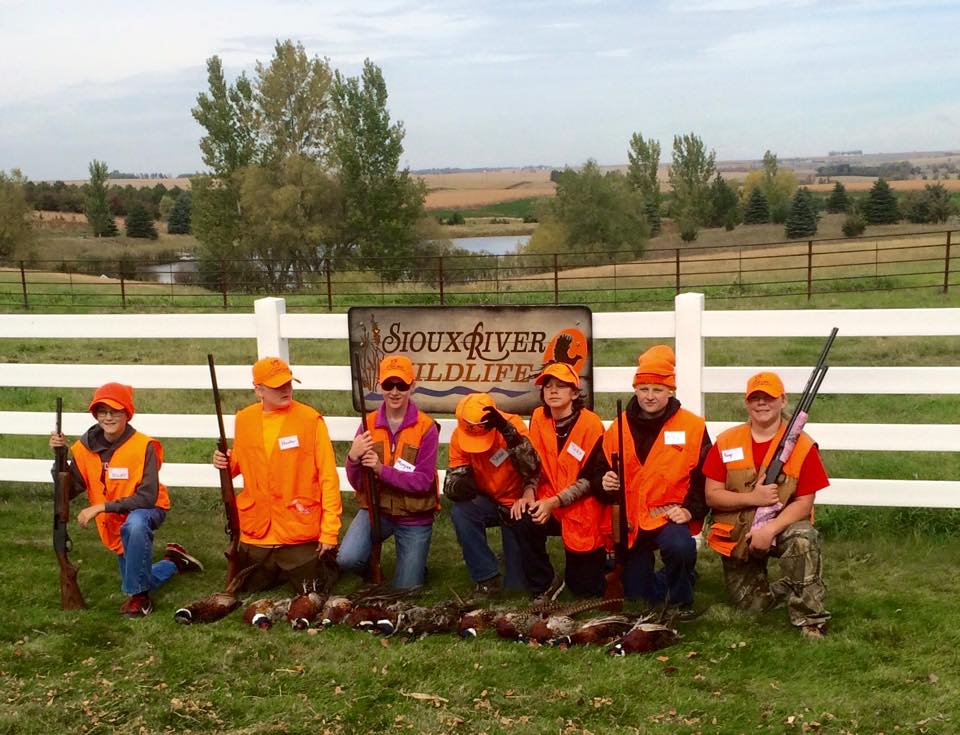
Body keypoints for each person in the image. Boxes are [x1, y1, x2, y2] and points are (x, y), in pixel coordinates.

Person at [49, 382, 202, 617]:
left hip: (147, 508)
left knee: (136, 525)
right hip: (113, 518)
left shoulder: (144, 446)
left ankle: (139, 600)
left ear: (127, 413)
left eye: (115, 411)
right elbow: (68, 491)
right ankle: (174, 562)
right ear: (95, 414)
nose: (108, 417)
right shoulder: (82, 449)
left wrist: (101, 507)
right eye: (102, 411)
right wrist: (59, 457)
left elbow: (147, 497)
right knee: (138, 574)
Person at [704, 371, 831, 639]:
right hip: (738, 533)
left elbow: (805, 502)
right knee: (751, 607)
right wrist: (753, 499)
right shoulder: (727, 441)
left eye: (769, 398)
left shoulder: (802, 445)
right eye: (756, 398)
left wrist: (769, 529)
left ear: (783, 401)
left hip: (781, 527)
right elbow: (711, 495)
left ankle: (811, 619)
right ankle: (793, 583)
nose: (762, 403)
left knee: (803, 539)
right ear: (746, 402)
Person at [592, 345, 711, 611]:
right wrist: (604, 480)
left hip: (668, 515)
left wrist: (690, 510)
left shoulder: (693, 426)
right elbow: (597, 469)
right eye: (644, 388)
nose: (650, 396)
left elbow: (705, 477)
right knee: (637, 595)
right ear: (635, 389)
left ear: (671, 391)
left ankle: (682, 600)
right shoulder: (618, 425)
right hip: (633, 523)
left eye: (657, 389)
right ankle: (678, 578)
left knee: (679, 547)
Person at [212, 357, 341, 593]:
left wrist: (329, 532)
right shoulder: (245, 419)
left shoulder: (310, 420)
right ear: (258, 390)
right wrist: (224, 463)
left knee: (313, 588)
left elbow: (328, 478)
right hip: (258, 530)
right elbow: (240, 465)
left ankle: (304, 564)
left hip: (298, 527)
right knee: (247, 587)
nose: (286, 389)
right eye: (277, 385)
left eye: (288, 383)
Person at [338, 355, 440, 589]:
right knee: (347, 559)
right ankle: (370, 568)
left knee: (406, 590)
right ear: (380, 385)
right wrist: (353, 458)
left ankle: (416, 567)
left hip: (414, 516)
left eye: (401, 385)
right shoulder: (368, 424)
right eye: (388, 385)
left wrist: (381, 470)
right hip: (377, 509)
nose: (395, 392)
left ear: (412, 386)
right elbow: (358, 483)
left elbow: (423, 482)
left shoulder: (426, 428)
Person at [515, 362, 610, 598]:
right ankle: (543, 582)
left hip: (582, 508)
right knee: (521, 519)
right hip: (547, 501)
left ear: (575, 393)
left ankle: (603, 564)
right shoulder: (538, 417)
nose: (553, 391)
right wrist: (528, 493)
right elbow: (534, 466)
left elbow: (589, 480)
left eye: (561, 386)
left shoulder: (591, 424)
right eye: (548, 386)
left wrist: (553, 502)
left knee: (585, 590)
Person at [444, 392, 541, 595]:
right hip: (487, 499)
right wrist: (458, 486)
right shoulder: (458, 435)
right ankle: (486, 576)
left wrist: (509, 434)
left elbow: (532, 467)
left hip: (518, 503)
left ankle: (519, 563)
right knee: (461, 512)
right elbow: (452, 479)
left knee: (516, 588)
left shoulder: (513, 425)